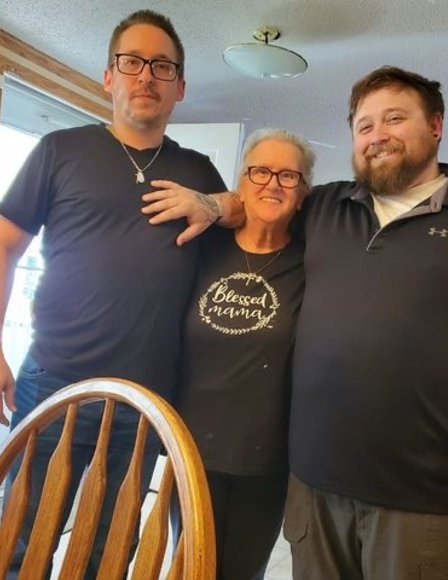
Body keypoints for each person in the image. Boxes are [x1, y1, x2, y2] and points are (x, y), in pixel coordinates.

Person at [142, 66, 448, 579]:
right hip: (313, 488)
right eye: (364, 125)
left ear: (436, 125)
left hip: (421, 498)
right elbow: (262, 197)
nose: (377, 135)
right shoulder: (326, 206)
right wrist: (210, 204)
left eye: (394, 118)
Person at [0, 9, 226, 577]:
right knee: (21, 548)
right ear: (109, 77)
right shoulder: (60, 150)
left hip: (148, 402)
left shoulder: (199, 171)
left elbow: (250, 218)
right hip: (53, 385)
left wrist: (216, 202)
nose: (146, 75)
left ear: (180, 87)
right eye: (132, 62)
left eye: (162, 66)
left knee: (108, 555)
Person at [176, 128, 314, 579]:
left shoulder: (313, 262)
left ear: (303, 193)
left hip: (266, 461)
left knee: (241, 573)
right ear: (241, 182)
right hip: (191, 452)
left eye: (288, 175)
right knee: (191, 569)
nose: (273, 183)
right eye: (260, 171)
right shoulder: (203, 246)